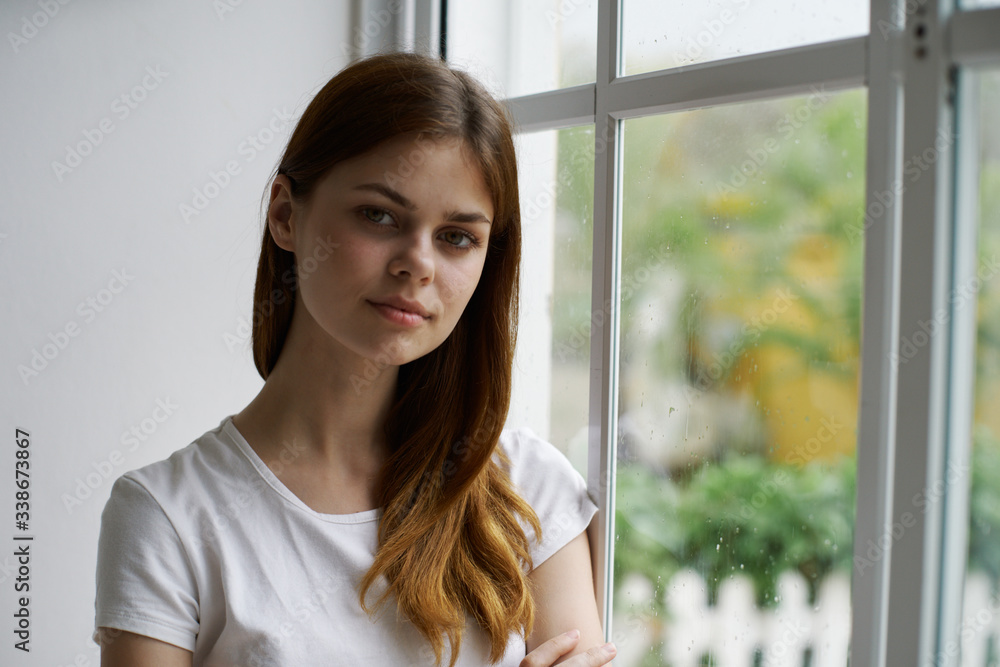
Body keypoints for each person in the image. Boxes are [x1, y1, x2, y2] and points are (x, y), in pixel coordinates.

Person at [93, 51, 615, 667]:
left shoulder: (529, 491)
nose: (417, 263)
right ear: (286, 215)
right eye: (379, 215)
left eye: (457, 237)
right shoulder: (167, 518)